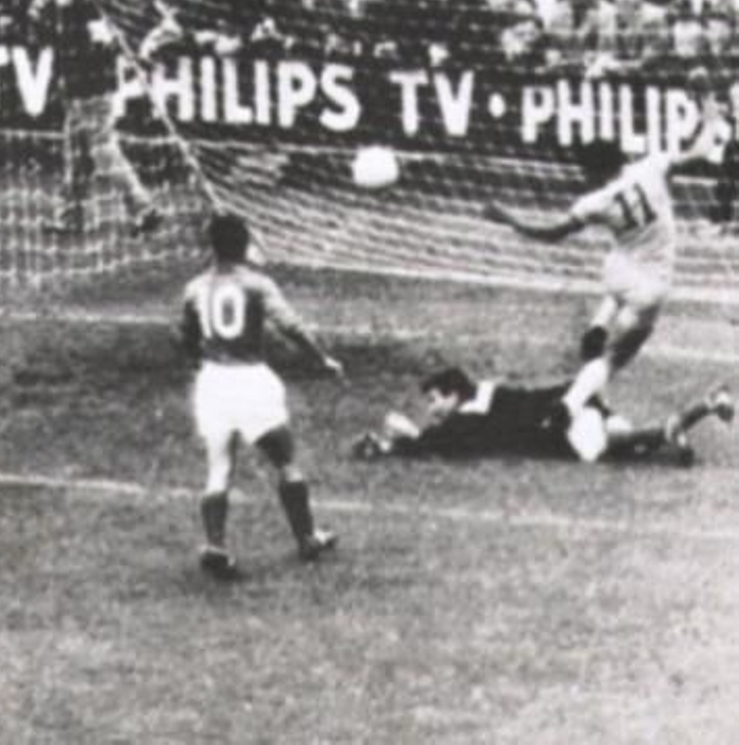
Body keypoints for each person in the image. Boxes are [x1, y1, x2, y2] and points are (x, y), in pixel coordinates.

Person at [484, 103, 724, 426]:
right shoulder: (652, 166)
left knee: (618, 250)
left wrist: (509, 219)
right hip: (650, 286)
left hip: (618, 275)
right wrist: (709, 112)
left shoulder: (593, 203)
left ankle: (599, 323)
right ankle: (569, 405)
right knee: (614, 358)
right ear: (621, 158)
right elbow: (701, 149)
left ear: (593, 171)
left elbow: (551, 233)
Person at [181, 214, 342, 581]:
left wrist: (198, 363)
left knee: (219, 468)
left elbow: (187, 336)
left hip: (212, 380)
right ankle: (307, 538)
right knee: (285, 460)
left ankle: (216, 545)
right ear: (244, 243)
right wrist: (322, 359)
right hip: (251, 378)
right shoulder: (257, 284)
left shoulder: (194, 288)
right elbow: (291, 326)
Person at [33, 0, 162, 238]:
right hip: (72, 82)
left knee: (103, 149)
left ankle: (143, 208)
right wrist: (45, 9)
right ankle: (70, 217)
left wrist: (59, 13)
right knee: (76, 155)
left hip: (94, 83)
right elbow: (43, 33)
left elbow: (100, 43)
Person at [352, 367, 734, 465]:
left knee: (632, 444)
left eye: (435, 400)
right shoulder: (487, 391)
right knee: (638, 444)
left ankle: (691, 416)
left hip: (566, 429)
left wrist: (397, 439)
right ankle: (702, 409)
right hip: (578, 400)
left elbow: (436, 445)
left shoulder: (467, 417)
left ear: (453, 395)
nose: (432, 408)